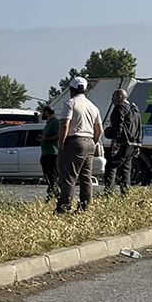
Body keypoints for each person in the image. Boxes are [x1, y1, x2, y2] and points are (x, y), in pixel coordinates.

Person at [56, 76, 104, 213]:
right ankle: (84, 207)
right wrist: (93, 142)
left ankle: (64, 207)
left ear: (71, 90)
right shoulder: (93, 107)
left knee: (69, 177)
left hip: (74, 141)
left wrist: (61, 143)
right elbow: (100, 130)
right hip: (89, 142)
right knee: (86, 177)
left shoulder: (70, 103)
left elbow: (65, 125)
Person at [102, 87, 142, 196]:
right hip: (133, 144)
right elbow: (139, 128)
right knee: (126, 169)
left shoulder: (120, 108)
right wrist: (139, 144)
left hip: (123, 143)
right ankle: (125, 194)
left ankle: (108, 192)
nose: (112, 100)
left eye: (113, 97)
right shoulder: (135, 110)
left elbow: (118, 127)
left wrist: (111, 136)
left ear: (119, 97)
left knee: (111, 165)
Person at [38, 103, 61, 201]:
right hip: (45, 152)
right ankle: (51, 194)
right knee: (48, 176)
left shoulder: (55, 122)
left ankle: (56, 195)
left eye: (43, 112)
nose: (42, 114)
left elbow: (59, 135)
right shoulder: (48, 123)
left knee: (52, 176)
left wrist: (46, 139)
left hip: (52, 153)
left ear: (47, 112)